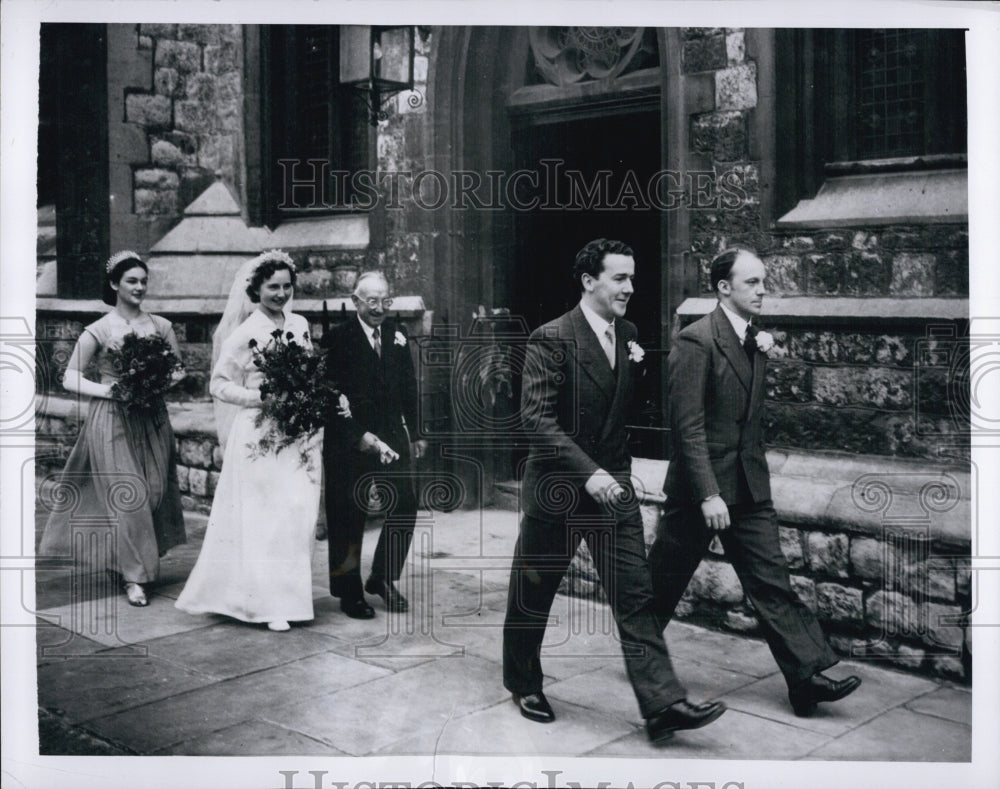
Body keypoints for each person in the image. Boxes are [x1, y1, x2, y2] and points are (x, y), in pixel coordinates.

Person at [502, 238, 726, 745]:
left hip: (613, 492)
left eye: (632, 277)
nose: (631, 287)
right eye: (620, 278)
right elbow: (536, 420)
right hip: (558, 490)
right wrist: (589, 473)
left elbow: (617, 420)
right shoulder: (550, 337)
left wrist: (618, 479)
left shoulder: (627, 333)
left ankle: (663, 703)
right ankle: (522, 681)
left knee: (636, 594)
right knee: (534, 592)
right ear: (589, 281)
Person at [649, 246, 862, 717]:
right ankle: (641, 659)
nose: (763, 290)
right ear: (724, 288)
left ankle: (805, 679)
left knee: (771, 580)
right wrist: (708, 493)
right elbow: (687, 426)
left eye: (764, 282)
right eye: (752, 283)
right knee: (663, 581)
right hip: (700, 491)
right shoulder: (696, 340)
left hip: (749, 487)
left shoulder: (753, 338)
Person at [176, 251, 339, 631]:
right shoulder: (244, 332)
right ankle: (266, 605)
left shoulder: (298, 324)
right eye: (272, 287)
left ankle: (289, 597)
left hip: (297, 431)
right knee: (266, 516)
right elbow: (218, 383)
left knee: (296, 513)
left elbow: (306, 370)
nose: (281, 293)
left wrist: (310, 399)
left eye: (286, 286)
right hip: (260, 433)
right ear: (256, 289)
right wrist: (261, 396)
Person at [39, 250, 186, 608]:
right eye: (131, 281)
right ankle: (136, 579)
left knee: (152, 490)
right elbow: (69, 375)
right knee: (129, 493)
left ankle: (126, 560)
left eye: (143, 281)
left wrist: (157, 383)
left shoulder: (161, 326)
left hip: (151, 417)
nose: (139, 287)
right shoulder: (99, 329)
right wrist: (112, 390)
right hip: (111, 418)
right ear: (114, 285)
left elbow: (179, 369)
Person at [323, 271, 423, 619]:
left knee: (405, 505)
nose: (379, 307)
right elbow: (328, 394)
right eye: (372, 301)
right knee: (350, 515)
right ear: (356, 302)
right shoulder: (338, 338)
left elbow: (409, 386)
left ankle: (382, 577)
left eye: (385, 300)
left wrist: (419, 433)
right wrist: (356, 435)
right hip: (350, 438)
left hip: (391, 436)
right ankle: (349, 592)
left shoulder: (397, 334)